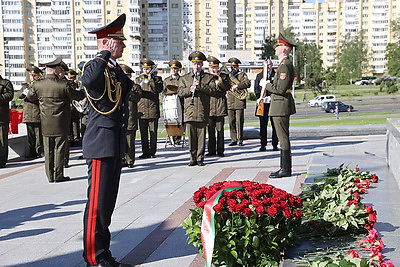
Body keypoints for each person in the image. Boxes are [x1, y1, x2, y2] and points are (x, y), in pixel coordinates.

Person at [80, 14, 133, 267]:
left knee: (107, 205)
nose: (123, 46)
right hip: (100, 143)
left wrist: (113, 61)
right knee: (96, 208)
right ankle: (94, 258)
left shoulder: (113, 69)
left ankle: (105, 254)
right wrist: (103, 54)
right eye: (119, 42)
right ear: (108, 43)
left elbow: (126, 88)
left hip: (113, 143)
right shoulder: (93, 65)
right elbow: (88, 80)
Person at [26, 57, 83, 182]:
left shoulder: (38, 85)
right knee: (60, 148)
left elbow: (30, 97)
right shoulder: (64, 85)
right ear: (56, 70)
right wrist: (84, 90)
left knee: (48, 149)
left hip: (45, 121)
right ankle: (58, 175)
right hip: (61, 122)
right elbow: (78, 96)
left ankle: (50, 175)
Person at [178, 51, 217, 166]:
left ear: (202, 64)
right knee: (191, 137)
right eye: (195, 64)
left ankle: (200, 158)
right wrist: (189, 89)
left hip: (202, 111)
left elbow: (213, 91)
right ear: (192, 64)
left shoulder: (208, 78)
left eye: (199, 63)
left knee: (201, 137)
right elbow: (180, 92)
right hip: (190, 111)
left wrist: (200, 85)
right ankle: (192, 158)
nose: (197, 66)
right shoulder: (185, 78)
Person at [265, 33, 297, 178]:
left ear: (284, 49)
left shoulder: (284, 65)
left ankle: (285, 169)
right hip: (279, 105)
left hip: (280, 105)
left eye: (278, 46)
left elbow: (280, 88)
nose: (276, 48)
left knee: (282, 137)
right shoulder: (283, 65)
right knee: (282, 136)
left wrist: (266, 85)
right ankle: (284, 168)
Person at [135, 58, 163, 159]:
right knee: (143, 133)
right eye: (144, 68)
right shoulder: (138, 79)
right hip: (141, 110)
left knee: (153, 133)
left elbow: (157, 90)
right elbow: (136, 93)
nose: (146, 70)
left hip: (152, 110)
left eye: (148, 68)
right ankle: (145, 152)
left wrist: (150, 79)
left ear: (151, 69)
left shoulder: (157, 79)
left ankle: (152, 151)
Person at [206, 56, 230, 157]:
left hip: (220, 106)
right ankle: (211, 150)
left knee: (220, 130)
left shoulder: (224, 76)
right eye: (211, 67)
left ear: (218, 67)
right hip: (209, 106)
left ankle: (220, 150)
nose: (213, 69)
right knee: (210, 130)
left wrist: (219, 82)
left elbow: (227, 87)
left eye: (214, 67)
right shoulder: (206, 77)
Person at [19, 65, 44, 159]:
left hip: (37, 112)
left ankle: (39, 150)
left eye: (34, 75)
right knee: (30, 135)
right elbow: (19, 96)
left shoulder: (40, 85)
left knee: (39, 134)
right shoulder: (26, 85)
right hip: (28, 113)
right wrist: (23, 93)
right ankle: (31, 151)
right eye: (31, 75)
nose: (32, 77)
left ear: (38, 76)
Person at [254, 58, 279, 152]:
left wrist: (271, 96)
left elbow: (277, 87)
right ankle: (263, 144)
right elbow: (256, 88)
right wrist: (261, 97)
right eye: (267, 65)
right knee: (263, 126)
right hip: (263, 104)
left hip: (273, 103)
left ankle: (275, 144)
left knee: (275, 125)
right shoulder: (259, 76)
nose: (268, 66)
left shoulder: (275, 75)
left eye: (270, 64)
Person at [120, 64, 142, 168]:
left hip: (131, 118)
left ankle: (130, 160)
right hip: (120, 118)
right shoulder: (118, 86)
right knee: (121, 140)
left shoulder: (135, 87)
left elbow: (136, 98)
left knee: (130, 140)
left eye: (127, 76)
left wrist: (128, 88)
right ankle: (122, 159)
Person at [226, 57, 251, 146]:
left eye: (235, 67)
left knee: (239, 121)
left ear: (238, 67)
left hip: (239, 101)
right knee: (231, 121)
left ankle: (240, 139)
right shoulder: (228, 76)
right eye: (232, 67)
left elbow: (248, 83)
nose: (233, 69)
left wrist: (238, 85)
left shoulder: (242, 75)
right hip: (230, 101)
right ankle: (233, 139)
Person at [163, 59, 183, 145]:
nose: (173, 70)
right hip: (169, 104)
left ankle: (178, 138)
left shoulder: (182, 79)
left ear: (178, 69)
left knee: (179, 120)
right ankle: (171, 137)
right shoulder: (166, 80)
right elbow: (162, 92)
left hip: (180, 102)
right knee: (171, 119)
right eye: (172, 69)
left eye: (175, 69)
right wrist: (163, 100)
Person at [0, 71, 14, 168]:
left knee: (2, 140)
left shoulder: (5, 83)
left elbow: (9, 95)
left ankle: (2, 161)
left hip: (1, 117)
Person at [67, 69, 81, 147]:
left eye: (72, 78)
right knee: (68, 125)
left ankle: (76, 139)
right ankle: (70, 139)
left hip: (75, 108)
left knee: (75, 125)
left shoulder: (78, 84)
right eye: (69, 78)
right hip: (68, 108)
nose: (70, 79)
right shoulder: (66, 84)